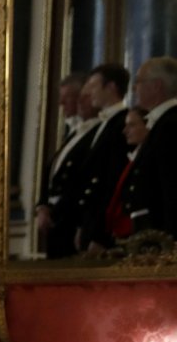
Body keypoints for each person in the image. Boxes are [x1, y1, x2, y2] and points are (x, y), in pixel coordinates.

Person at [70, 64, 130, 252]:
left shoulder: (122, 122)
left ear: (111, 87)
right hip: (91, 220)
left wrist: (100, 234)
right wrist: (82, 225)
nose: (87, 92)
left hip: (103, 226)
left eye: (93, 85)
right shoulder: (103, 124)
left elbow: (112, 182)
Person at [37, 78, 97, 258]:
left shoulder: (96, 132)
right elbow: (53, 171)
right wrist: (43, 205)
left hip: (71, 217)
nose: (62, 103)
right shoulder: (75, 132)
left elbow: (83, 179)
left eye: (68, 97)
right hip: (56, 218)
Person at [122, 56, 177, 238]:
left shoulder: (171, 124)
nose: (134, 88)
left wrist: (171, 242)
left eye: (138, 82)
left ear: (156, 86)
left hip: (160, 233)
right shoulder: (162, 122)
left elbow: (170, 188)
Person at [103, 106, 150, 245]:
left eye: (132, 125)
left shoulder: (147, 159)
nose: (125, 131)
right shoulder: (133, 158)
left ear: (148, 125)